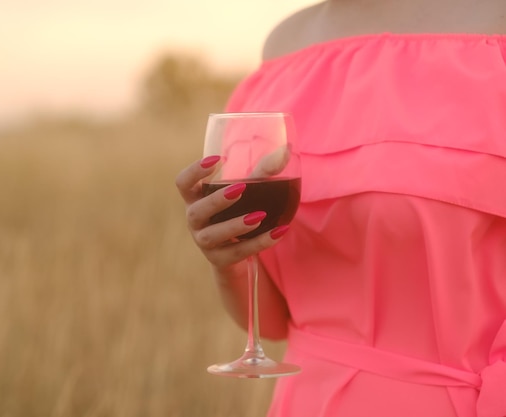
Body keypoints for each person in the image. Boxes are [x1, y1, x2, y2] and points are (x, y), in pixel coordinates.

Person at [175, 0, 506, 416]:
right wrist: (229, 262)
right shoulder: (284, 48)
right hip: (306, 401)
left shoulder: (496, 28)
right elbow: (277, 323)